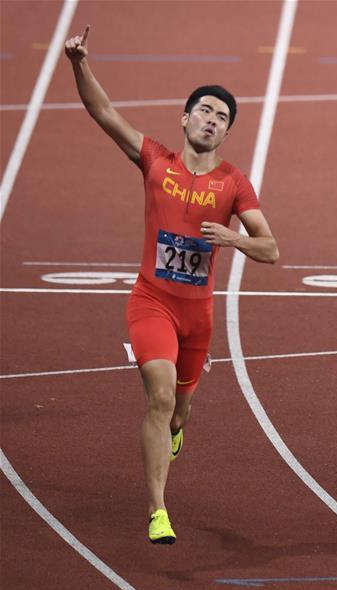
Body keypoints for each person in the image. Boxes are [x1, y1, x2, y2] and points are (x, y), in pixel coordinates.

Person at [64, 26, 279, 543]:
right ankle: (158, 509)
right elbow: (104, 113)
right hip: (152, 303)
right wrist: (79, 64)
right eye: (204, 111)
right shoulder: (155, 160)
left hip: (197, 316)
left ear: (226, 134)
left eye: (222, 117)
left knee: (179, 412)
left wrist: (232, 236)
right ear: (186, 119)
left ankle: (177, 428)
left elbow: (271, 248)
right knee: (159, 400)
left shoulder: (234, 182)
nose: (212, 120)